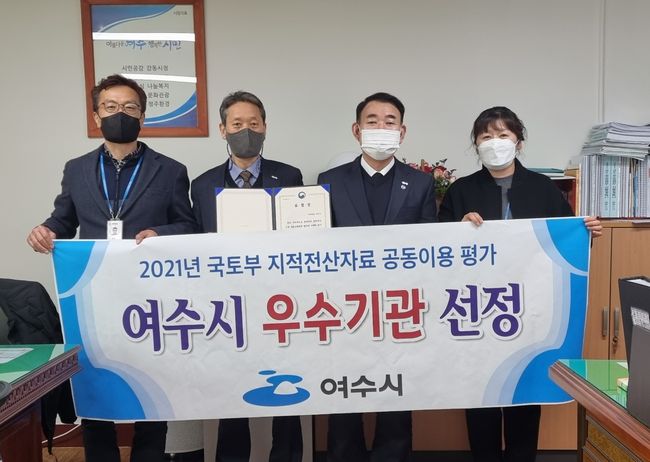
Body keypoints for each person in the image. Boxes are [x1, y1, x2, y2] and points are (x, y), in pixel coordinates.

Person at [27, 74, 196, 462]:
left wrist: (160, 233)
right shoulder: (77, 169)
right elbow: (63, 219)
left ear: (143, 116)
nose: (121, 113)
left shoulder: (170, 169)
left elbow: (187, 225)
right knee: (96, 384)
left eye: (130, 107)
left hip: (151, 298)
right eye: (111, 107)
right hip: (95, 295)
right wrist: (45, 230)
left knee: (154, 382)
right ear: (96, 115)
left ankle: (149, 456)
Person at [438, 106, 602, 462]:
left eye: (503, 135)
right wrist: (457, 230)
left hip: (529, 308)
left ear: (519, 142)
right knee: (480, 394)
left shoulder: (543, 188)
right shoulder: (460, 190)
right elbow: (438, 249)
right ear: (476, 144)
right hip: (476, 309)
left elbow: (564, 243)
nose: (494, 143)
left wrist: (585, 232)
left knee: (524, 391)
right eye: (486, 136)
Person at [317, 92, 437, 462]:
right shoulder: (329, 181)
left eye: (389, 121)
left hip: (399, 307)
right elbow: (319, 245)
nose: (381, 127)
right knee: (345, 393)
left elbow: (428, 246)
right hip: (345, 306)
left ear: (402, 131)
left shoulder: (420, 183)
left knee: (396, 393)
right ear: (357, 130)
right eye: (372, 121)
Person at [191, 91, 304, 462]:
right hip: (228, 307)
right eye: (237, 124)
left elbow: (302, 236)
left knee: (286, 390)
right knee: (233, 393)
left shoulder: (289, 176)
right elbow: (194, 242)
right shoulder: (202, 185)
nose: (246, 131)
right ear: (222, 129)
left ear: (265, 127)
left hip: (280, 303)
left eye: (254, 123)